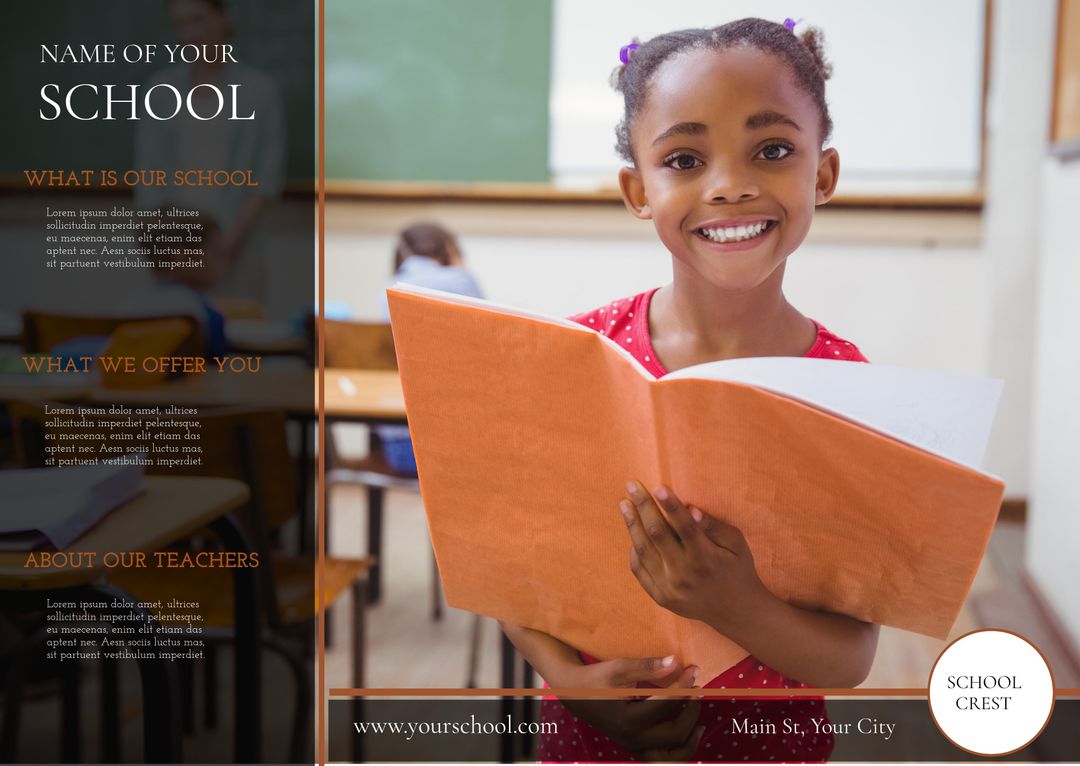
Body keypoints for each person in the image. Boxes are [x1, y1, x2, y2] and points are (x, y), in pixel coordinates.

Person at [500, 18, 878, 762]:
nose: (731, 185)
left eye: (772, 150)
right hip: (589, 742)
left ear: (822, 175)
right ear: (639, 189)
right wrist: (561, 678)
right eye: (684, 158)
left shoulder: (847, 388)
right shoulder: (577, 356)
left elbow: (851, 658)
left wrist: (737, 605)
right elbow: (509, 569)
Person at [376, 223, 483, 473]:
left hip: (400, 446)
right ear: (449, 249)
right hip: (463, 448)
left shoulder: (391, 289)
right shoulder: (463, 280)